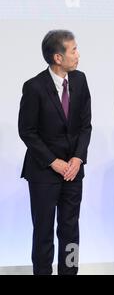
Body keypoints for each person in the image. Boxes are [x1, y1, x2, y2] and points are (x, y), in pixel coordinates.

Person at [18, 30, 92, 275]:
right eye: (73, 50)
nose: (78, 54)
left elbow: (85, 125)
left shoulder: (80, 80)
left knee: (71, 230)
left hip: (73, 171)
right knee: (43, 230)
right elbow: (27, 131)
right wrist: (53, 162)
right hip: (43, 173)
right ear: (58, 57)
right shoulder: (34, 87)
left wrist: (77, 158)